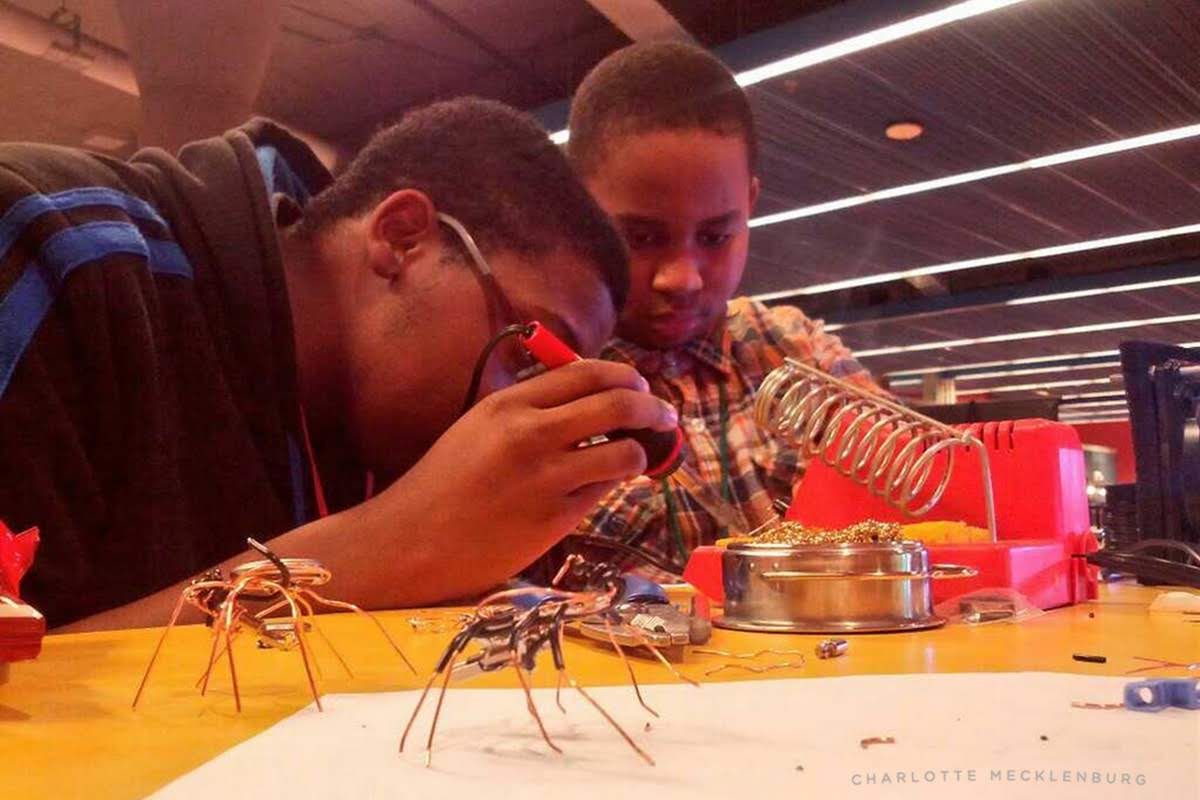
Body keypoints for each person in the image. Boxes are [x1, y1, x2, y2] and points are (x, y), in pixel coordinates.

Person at [0, 97, 680, 629]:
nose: (520, 412)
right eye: (531, 357)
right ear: (403, 236)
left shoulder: (356, 421)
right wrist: (386, 548)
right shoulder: (48, 254)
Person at [565, 42, 877, 577]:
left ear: (750, 204)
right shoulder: (531, 390)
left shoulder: (802, 355)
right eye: (640, 237)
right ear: (574, 209)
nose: (681, 278)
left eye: (716, 235)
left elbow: (926, 519)